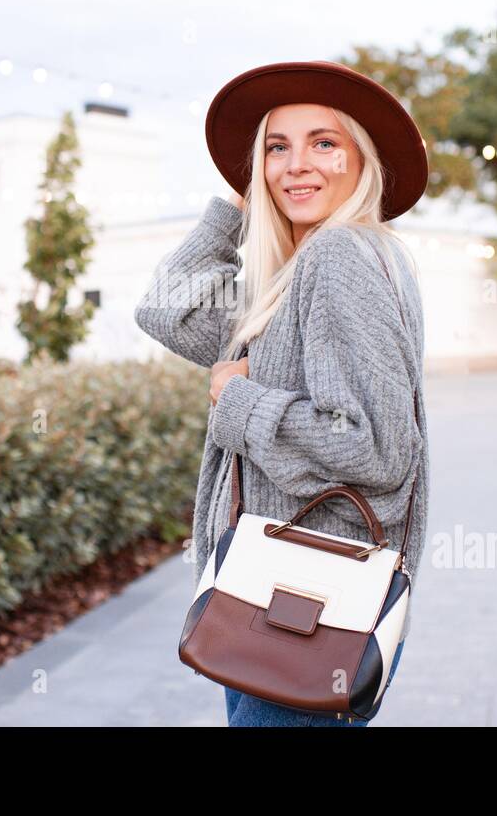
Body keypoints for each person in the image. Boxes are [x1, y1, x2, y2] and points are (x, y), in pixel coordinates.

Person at [134, 60, 432, 726]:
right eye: (277, 148)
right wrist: (238, 206)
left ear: (363, 162)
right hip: (278, 596)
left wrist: (238, 404)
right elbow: (164, 308)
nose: (297, 164)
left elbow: (378, 449)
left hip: (304, 602)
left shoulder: (340, 257)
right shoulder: (295, 276)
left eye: (324, 143)